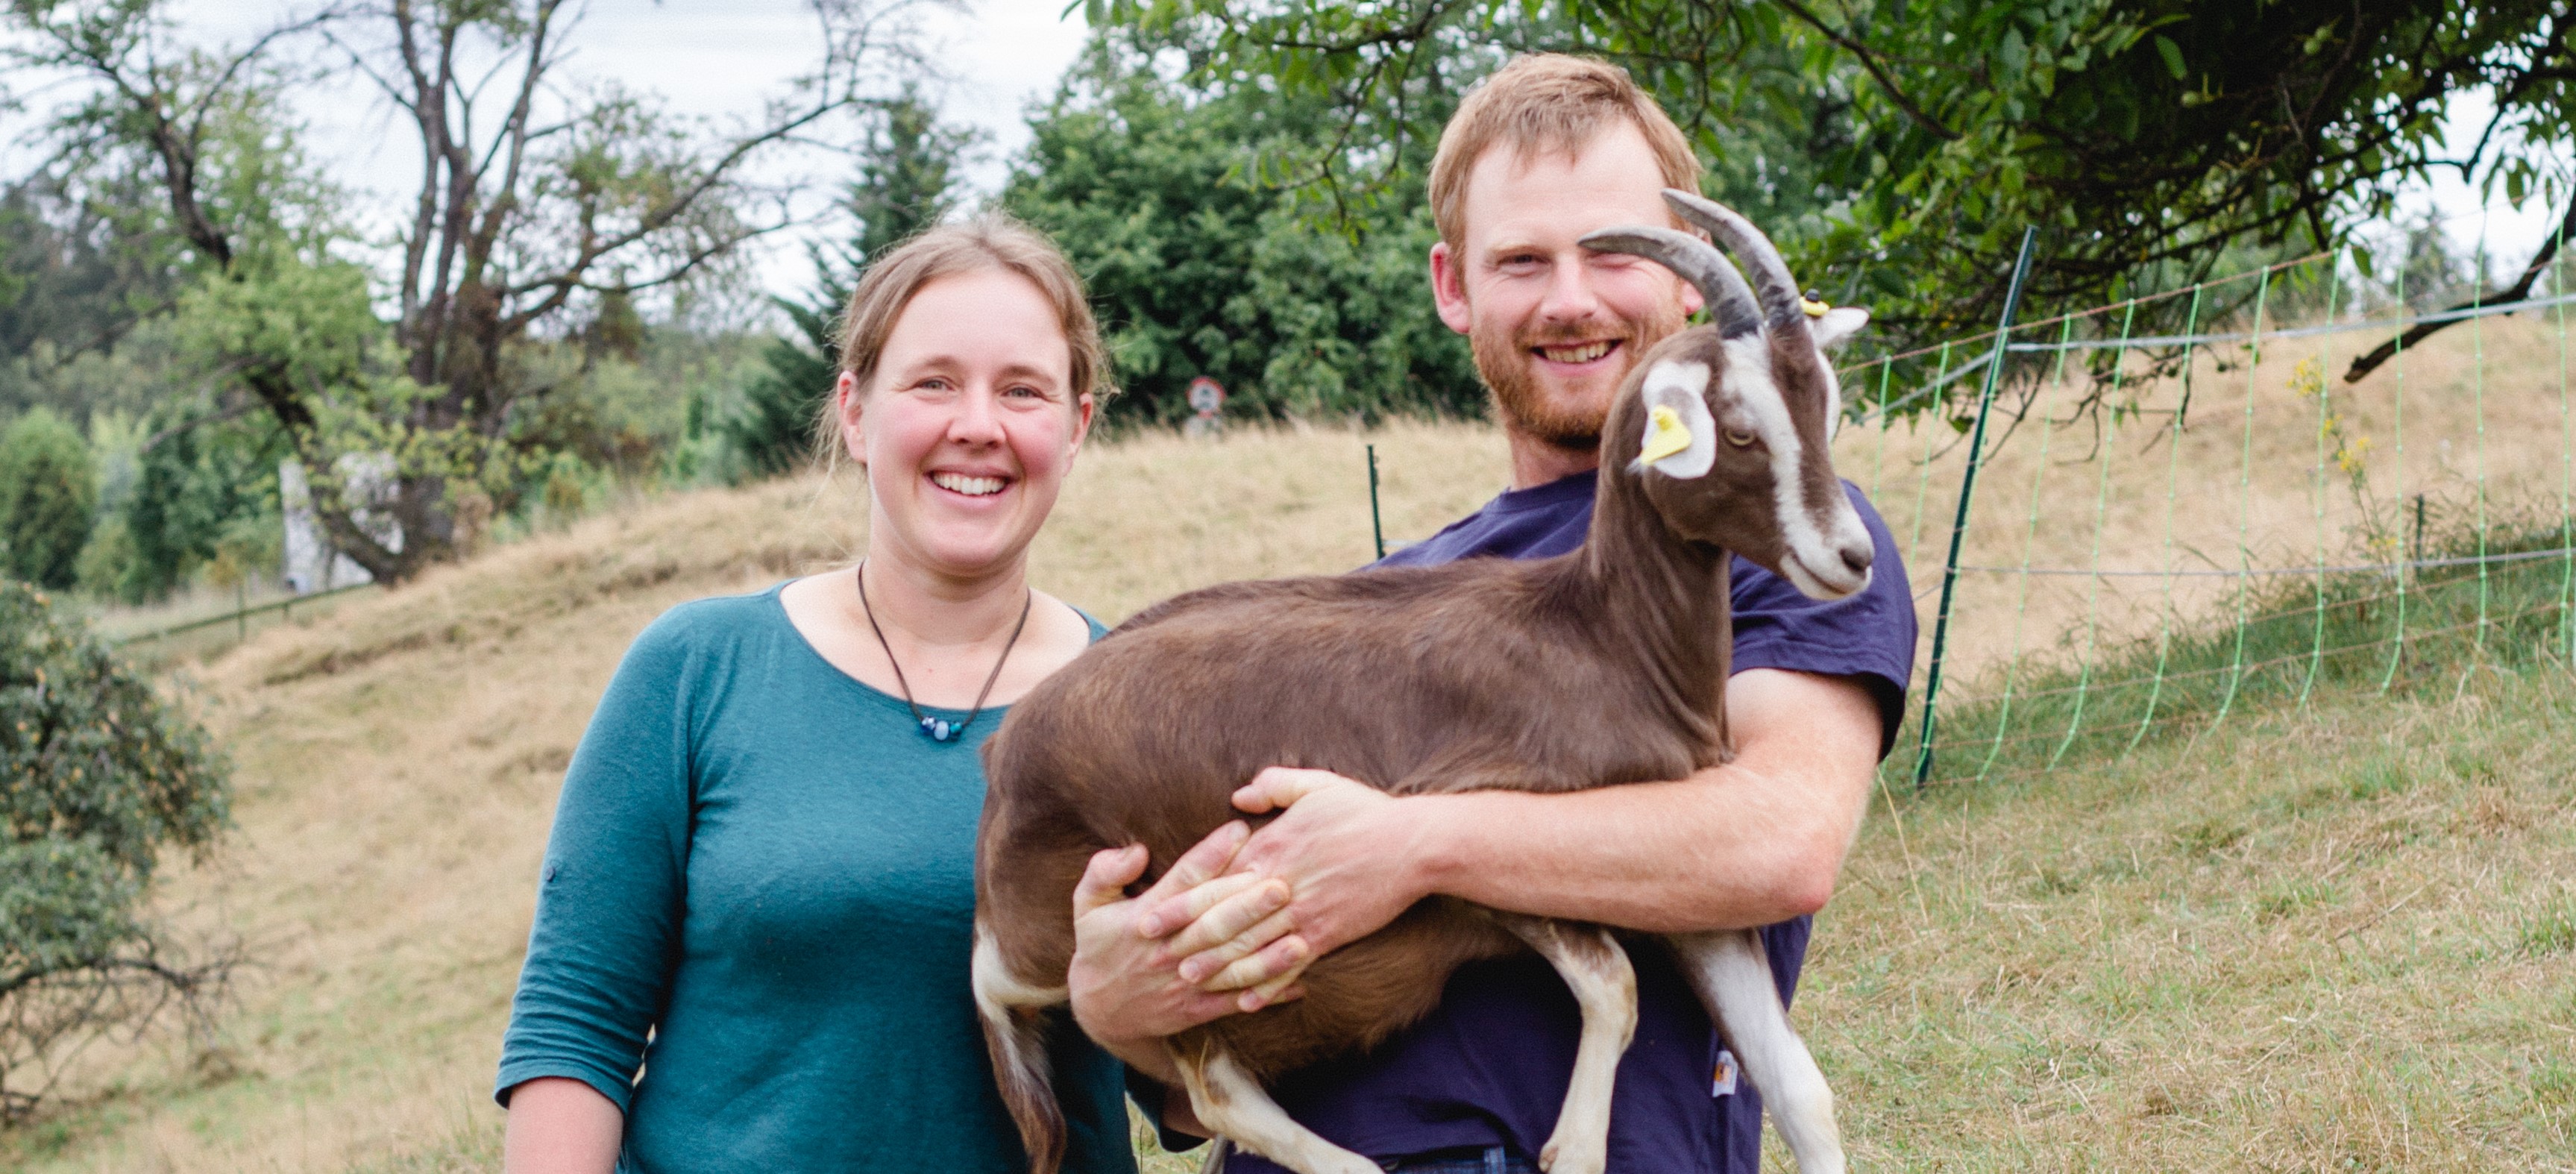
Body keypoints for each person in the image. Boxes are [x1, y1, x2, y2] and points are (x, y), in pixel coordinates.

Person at [1067, 54, 1920, 1173]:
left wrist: (1415, 842)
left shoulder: (1755, 538)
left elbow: (1776, 841)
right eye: (1520, 260)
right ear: (1452, 286)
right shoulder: (1382, 601)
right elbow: (1186, 1093)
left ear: (1681, 282)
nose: (1568, 298)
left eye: (1613, 251)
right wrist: (1118, 1001)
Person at [493, 215, 1136, 1174]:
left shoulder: (1136, 709)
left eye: (1022, 390)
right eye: (933, 382)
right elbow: (574, 1030)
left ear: (1076, 425)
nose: (977, 424)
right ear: (855, 409)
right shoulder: (697, 669)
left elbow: (1190, 1096)